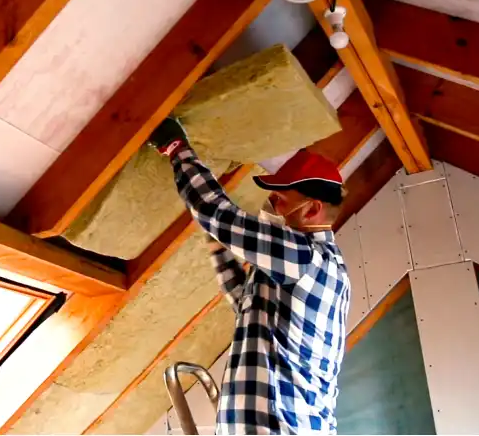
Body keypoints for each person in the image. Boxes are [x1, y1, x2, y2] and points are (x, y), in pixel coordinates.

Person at [150, 118, 351, 435]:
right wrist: (220, 247)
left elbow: (216, 212)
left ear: (312, 210)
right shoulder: (307, 264)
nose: (270, 207)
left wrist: (176, 147)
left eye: (279, 200)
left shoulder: (306, 259)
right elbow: (249, 305)